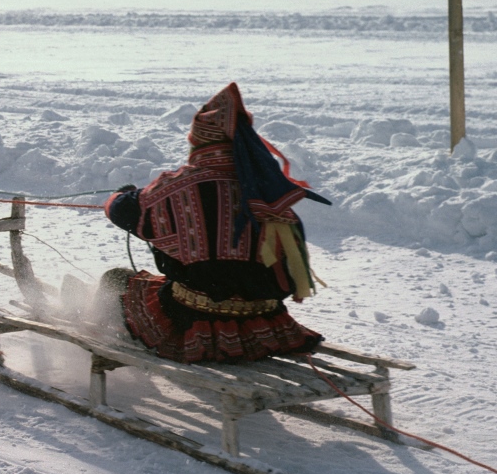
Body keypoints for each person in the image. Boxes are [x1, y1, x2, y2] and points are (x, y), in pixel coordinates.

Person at [102, 82, 331, 364]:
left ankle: (106, 346)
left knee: (115, 280)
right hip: (265, 323)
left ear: (200, 141)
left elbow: (120, 210)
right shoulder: (272, 193)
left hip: (197, 318)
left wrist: (122, 194)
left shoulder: (179, 186)